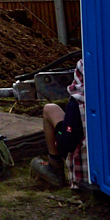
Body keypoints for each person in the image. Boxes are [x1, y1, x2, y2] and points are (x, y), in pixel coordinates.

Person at [30, 59, 89, 190]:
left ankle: (54, 167)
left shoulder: (80, 100)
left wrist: (61, 132)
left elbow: (68, 142)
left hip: (83, 171)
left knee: (49, 109)